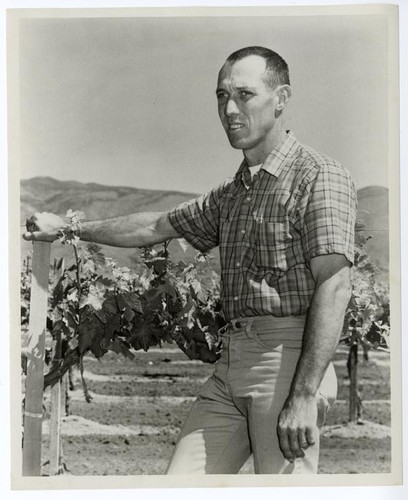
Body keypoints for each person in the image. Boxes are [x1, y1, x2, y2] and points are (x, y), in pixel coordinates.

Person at [24, 46, 357, 474]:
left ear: (282, 97)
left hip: (288, 363)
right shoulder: (233, 192)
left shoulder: (318, 175)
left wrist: (304, 394)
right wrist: (67, 229)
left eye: (244, 95)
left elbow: (335, 284)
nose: (229, 108)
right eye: (221, 96)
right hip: (231, 364)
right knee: (180, 483)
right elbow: (154, 226)